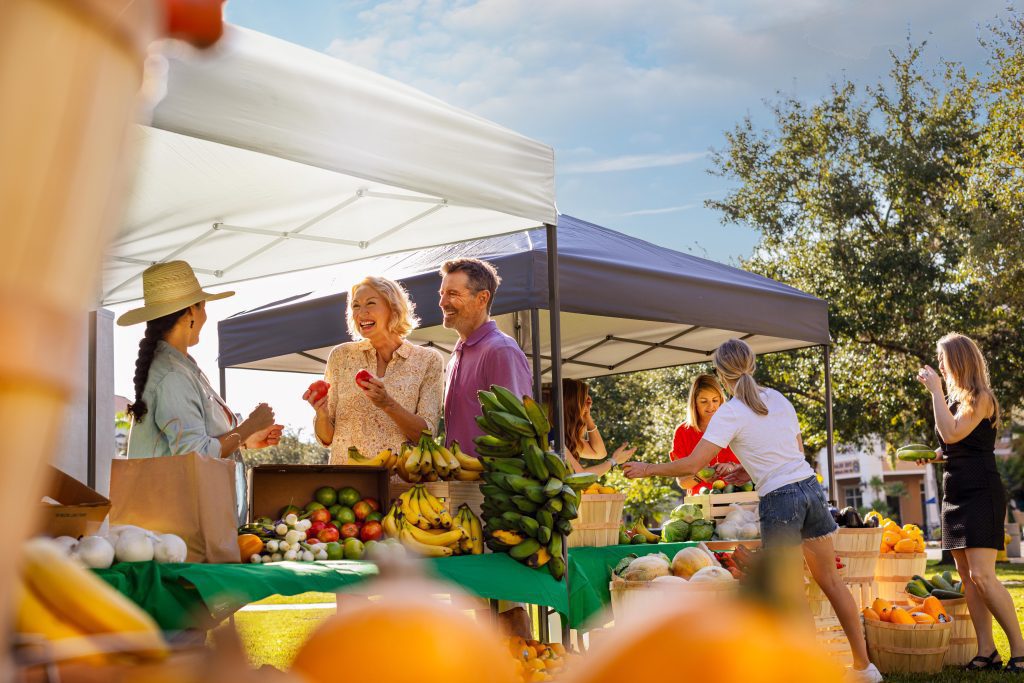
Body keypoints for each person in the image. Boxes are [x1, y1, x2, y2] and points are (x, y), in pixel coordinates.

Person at [623, 339, 880, 683]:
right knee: (832, 582)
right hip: (809, 489)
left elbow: (694, 463)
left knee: (790, 593)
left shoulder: (730, 411)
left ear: (720, 373)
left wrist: (647, 468)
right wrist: (748, 471)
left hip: (781, 500)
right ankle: (865, 669)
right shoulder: (776, 398)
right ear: (752, 364)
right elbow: (793, 452)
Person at [120, 261, 283, 520]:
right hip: (179, 525)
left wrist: (245, 439)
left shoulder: (180, 367)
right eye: (203, 305)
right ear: (191, 313)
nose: (206, 314)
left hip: (183, 522)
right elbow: (196, 454)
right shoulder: (173, 374)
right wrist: (249, 426)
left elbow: (199, 439)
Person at [917, 333, 1024, 672]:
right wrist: (932, 456)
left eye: (942, 359)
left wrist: (934, 391)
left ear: (958, 361)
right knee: (968, 578)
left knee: (983, 575)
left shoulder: (982, 398)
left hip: (980, 491)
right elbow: (954, 443)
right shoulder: (955, 402)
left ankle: (1020, 652)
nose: (939, 366)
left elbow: (950, 434)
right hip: (955, 492)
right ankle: (987, 652)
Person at [306, 276, 444, 463]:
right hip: (344, 483)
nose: (361, 313)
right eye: (355, 306)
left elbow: (426, 436)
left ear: (393, 308)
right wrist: (321, 414)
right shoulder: (341, 356)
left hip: (400, 484)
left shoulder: (427, 360)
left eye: (370, 303)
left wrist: (387, 404)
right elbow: (327, 438)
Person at [439, 258, 532, 457]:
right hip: (459, 482)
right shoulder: (457, 354)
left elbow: (518, 432)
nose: (442, 302)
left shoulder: (501, 350)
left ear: (482, 299)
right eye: (442, 293)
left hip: (491, 484)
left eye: (453, 294)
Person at [670, 374, 748, 493]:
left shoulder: (734, 425)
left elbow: (755, 467)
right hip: (701, 505)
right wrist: (700, 476)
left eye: (715, 400)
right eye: (704, 401)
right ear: (694, 403)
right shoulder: (682, 432)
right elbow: (682, 482)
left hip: (737, 501)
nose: (711, 406)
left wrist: (732, 467)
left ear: (721, 400)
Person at [555, 378, 635, 475]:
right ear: (573, 405)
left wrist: (587, 416)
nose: (586, 405)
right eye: (583, 401)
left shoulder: (566, 436)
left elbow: (599, 453)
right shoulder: (554, 435)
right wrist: (613, 461)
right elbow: (579, 475)